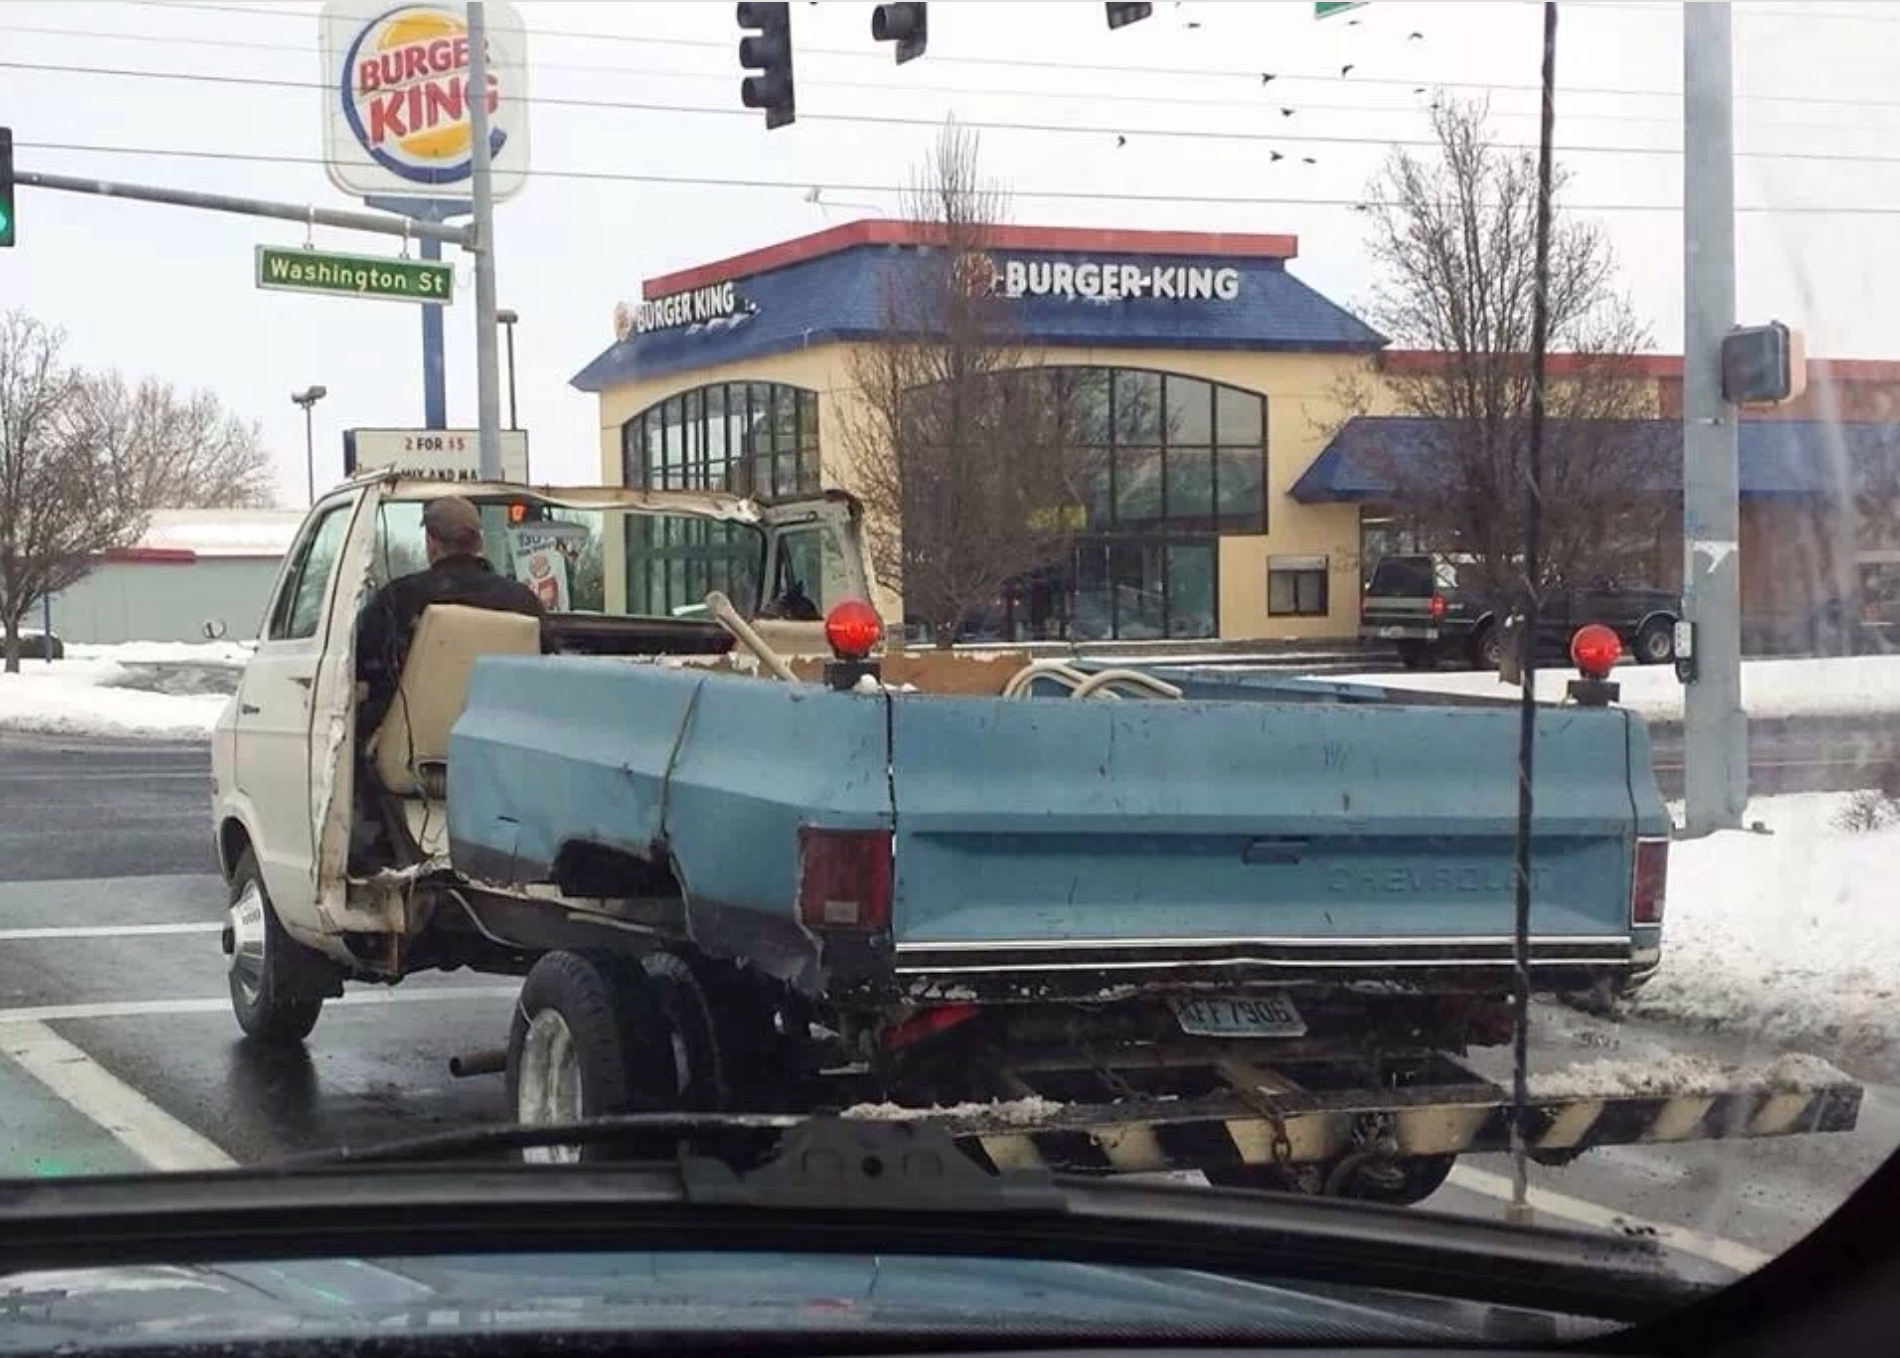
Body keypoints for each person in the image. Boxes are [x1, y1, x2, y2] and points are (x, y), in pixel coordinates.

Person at [351, 497, 544, 869]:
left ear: (432, 543)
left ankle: (373, 860)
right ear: (479, 543)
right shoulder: (523, 602)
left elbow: (360, 664)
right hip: (504, 760)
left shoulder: (400, 598)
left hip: (417, 761)